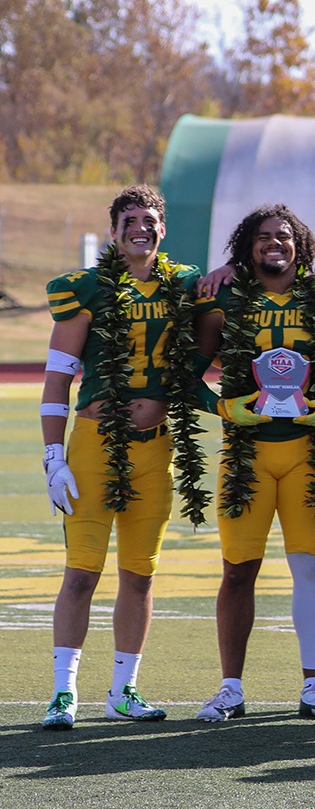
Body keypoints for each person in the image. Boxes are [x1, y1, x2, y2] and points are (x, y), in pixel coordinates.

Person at [40, 185, 208, 729]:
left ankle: (123, 690)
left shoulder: (183, 284)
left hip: (153, 448)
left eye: (150, 220)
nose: (141, 228)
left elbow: (226, 298)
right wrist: (52, 456)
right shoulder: (87, 289)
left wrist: (229, 272)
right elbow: (57, 380)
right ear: (113, 231)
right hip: (94, 445)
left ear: (163, 229)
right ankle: (63, 692)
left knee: (139, 575)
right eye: (130, 220)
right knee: (81, 574)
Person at [193, 206, 315, 723]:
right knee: (238, 569)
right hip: (247, 454)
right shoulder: (225, 299)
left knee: (310, 568)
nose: (275, 243)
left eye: (284, 236)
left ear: (300, 244)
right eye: (263, 236)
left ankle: (314, 685)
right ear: (247, 246)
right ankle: (230, 688)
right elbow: (186, 376)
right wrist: (224, 407)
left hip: (306, 452)